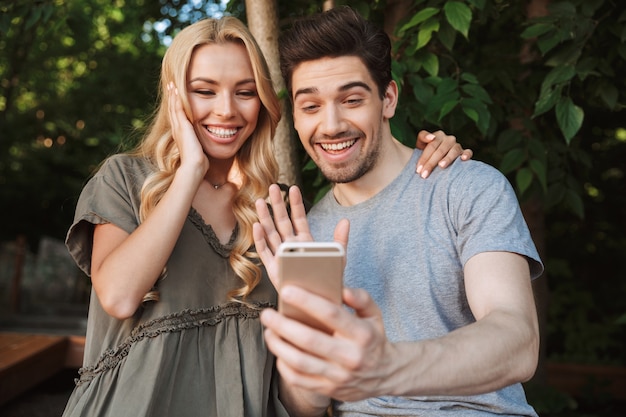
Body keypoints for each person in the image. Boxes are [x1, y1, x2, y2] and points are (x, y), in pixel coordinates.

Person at [61, 15, 469, 417]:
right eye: (204, 91)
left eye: (245, 91)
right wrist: (189, 172)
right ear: (175, 97)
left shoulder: (281, 208)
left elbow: (302, 394)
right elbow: (118, 296)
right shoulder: (127, 179)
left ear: (264, 100)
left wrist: (429, 158)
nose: (226, 110)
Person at [253, 6, 544, 417]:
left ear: (387, 99)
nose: (331, 124)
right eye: (311, 106)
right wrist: (308, 320)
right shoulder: (305, 235)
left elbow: (517, 341)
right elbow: (306, 407)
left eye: (351, 99)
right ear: (296, 118)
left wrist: (386, 367)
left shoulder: (467, 187)